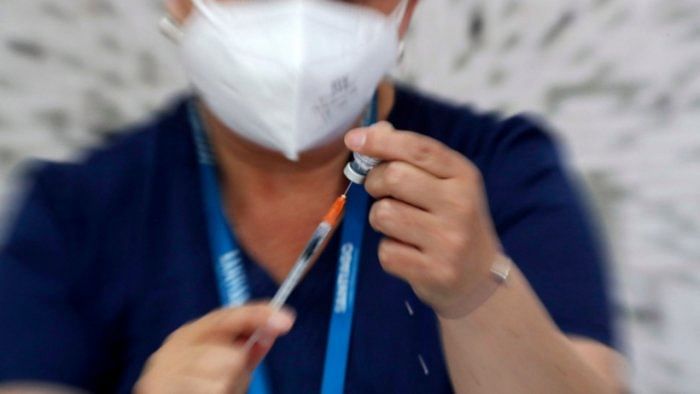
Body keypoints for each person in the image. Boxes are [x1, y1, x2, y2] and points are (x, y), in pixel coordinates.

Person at [0, 0, 626, 393]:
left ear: (405, 11)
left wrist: (476, 294)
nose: (298, 19)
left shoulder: (500, 172)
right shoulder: (75, 210)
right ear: (181, 4)